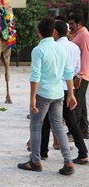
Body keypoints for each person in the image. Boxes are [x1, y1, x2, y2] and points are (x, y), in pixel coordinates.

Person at [18, 18, 77, 176]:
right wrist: (71, 94)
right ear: (54, 32)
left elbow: (35, 76)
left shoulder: (38, 50)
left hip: (43, 94)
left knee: (36, 127)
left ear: (39, 32)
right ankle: (68, 161)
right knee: (58, 127)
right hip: (58, 93)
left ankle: (35, 161)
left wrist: (32, 99)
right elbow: (68, 72)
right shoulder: (61, 49)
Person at [40, 20, 88, 163]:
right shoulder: (74, 47)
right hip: (69, 87)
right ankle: (83, 152)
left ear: (55, 32)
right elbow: (76, 68)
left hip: (55, 87)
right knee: (71, 122)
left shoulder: (54, 47)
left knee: (46, 122)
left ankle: (42, 152)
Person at [67, 13, 89, 140]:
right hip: (79, 73)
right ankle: (85, 130)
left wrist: (80, 75)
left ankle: (75, 134)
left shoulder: (84, 35)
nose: (70, 27)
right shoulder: (78, 34)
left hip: (82, 74)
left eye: (72, 24)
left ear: (79, 24)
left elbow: (86, 56)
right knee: (82, 104)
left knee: (76, 105)